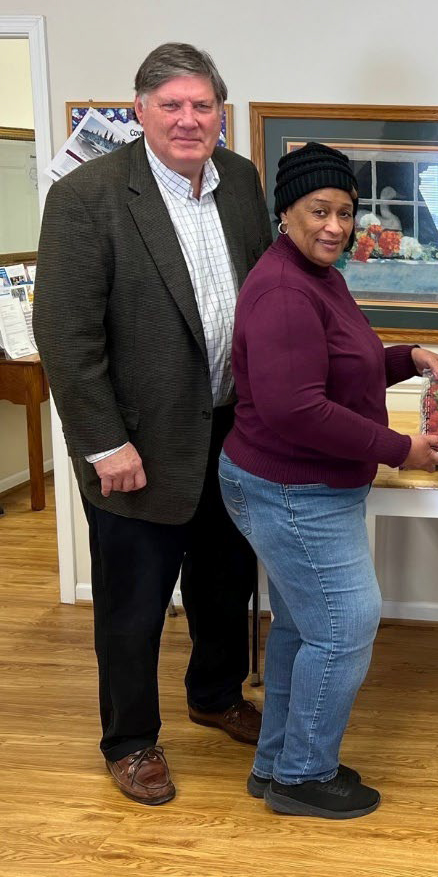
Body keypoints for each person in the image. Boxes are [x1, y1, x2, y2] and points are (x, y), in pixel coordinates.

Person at [33, 43, 272, 806]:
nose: (188, 119)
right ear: (139, 112)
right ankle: (131, 742)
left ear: (219, 114)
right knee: (134, 606)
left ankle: (214, 695)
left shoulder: (240, 182)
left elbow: (267, 294)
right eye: (171, 105)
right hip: (136, 444)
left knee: (224, 582)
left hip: (232, 432)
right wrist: (105, 443)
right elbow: (66, 336)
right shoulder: (87, 197)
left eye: (202, 105)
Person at [219, 142, 438, 820]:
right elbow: (297, 408)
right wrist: (399, 449)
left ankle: (277, 765)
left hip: (297, 484)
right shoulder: (283, 290)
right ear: (285, 213)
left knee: (302, 628)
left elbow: (336, 369)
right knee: (345, 626)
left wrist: (404, 358)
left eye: (345, 212)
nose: (334, 225)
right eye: (318, 210)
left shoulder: (316, 275)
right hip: (292, 488)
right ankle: (302, 777)